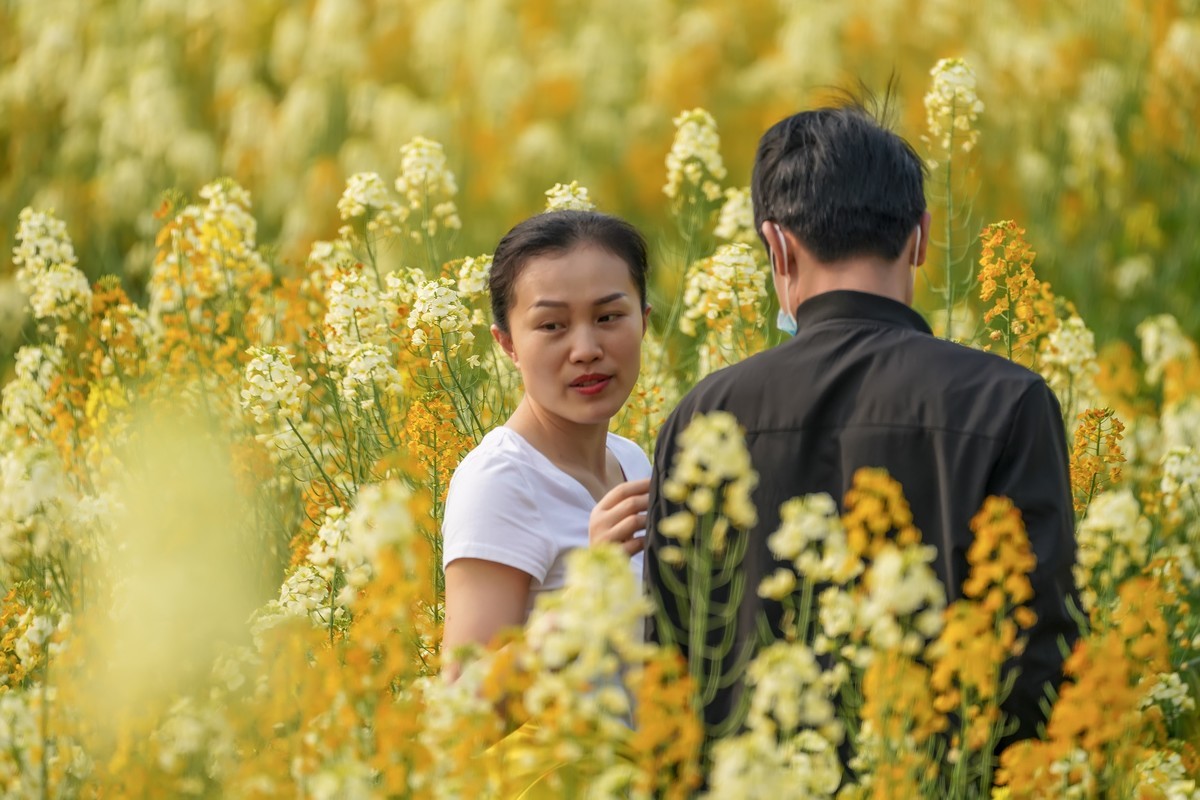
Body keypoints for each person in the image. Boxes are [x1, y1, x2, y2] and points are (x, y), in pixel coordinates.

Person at [645, 102, 1080, 748]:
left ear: (776, 246)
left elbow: (669, 670)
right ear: (922, 237)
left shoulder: (703, 415)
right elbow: (1041, 661)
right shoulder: (1008, 402)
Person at [441, 209, 653, 676]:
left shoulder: (633, 462)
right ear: (507, 344)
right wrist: (584, 599)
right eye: (552, 326)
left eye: (609, 316)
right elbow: (458, 715)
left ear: (645, 321)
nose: (586, 349)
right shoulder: (500, 481)